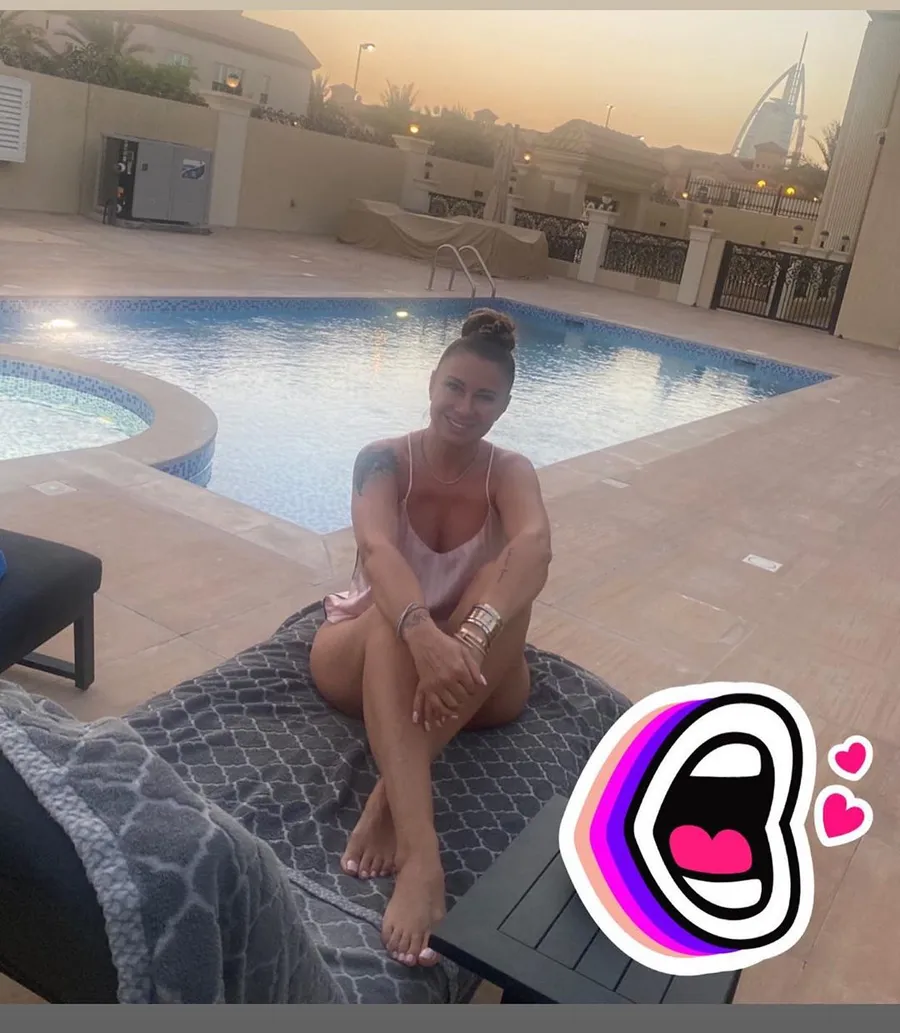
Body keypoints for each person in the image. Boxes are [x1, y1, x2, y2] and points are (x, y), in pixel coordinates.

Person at [310, 308, 553, 971]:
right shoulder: (384, 460)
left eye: (484, 396)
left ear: (504, 405)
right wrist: (421, 632)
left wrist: (468, 641)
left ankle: (389, 791)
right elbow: (376, 548)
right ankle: (422, 860)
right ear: (432, 383)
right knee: (396, 610)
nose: (465, 408)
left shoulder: (509, 471)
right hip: (368, 655)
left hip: (472, 679)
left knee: (514, 591)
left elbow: (535, 545)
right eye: (455, 387)